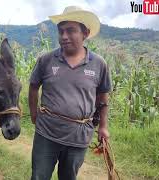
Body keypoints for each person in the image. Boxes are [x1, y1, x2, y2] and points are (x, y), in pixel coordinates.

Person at [28, 6, 112, 180]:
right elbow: (33, 85)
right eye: (61, 31)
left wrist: (103, 126)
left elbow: (102, 97)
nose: (64, 36)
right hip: (46, 134)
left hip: (78, 137)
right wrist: (34, 113)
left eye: (71, 31)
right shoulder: (46, 60)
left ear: (85, 33)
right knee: (38, 176)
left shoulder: (99, 64)